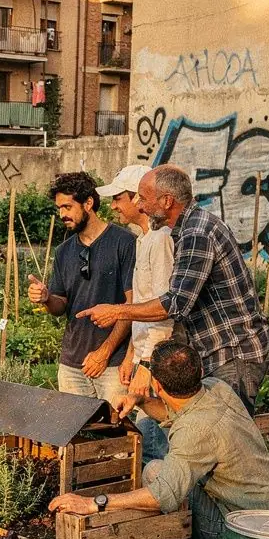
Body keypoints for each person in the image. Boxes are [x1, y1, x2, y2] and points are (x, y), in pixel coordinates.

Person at [50, 342, 269, 539]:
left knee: (155, 472)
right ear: (198, 370)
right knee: (153, 430)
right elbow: (171, 412)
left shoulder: (196, 430)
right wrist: (140, 399)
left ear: (158, 385)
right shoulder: (216, 388)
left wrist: (95, 502)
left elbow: (162, 496)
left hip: (244, 538)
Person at [78, 165, 269, 415]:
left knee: (227, 435)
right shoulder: (185, 229)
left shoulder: (196, 233)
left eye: (145, 198)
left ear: (167, 201)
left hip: (233, 351)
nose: (142, 205)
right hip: (219, 351)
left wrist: (116, 312)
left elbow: (175, 304)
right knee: (213, 434)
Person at [27, 171, 135, 403]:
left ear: (88, 203)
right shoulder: (64, 251)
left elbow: (132, 306)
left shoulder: (124, 243)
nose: (62, 214)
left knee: (118, 434)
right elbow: (60, 305)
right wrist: (46, 297)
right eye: (59, 208)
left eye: (67, 207)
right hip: (72, 365)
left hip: (113, 365)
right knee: (74, 434)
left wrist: (104, 353)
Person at [95, 164, 173, 459]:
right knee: (145, 442)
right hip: (142, 356)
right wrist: (130, 355)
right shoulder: (143, 240)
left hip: (157, 360)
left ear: (138, 200)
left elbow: (165, 310)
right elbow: (142, 308)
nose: (113, 206)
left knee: (153, 447)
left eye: (118, 198)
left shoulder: (161, 240)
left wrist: (148, 364)